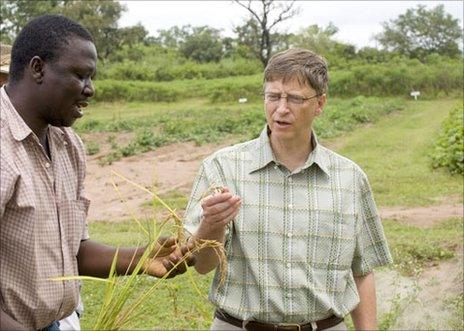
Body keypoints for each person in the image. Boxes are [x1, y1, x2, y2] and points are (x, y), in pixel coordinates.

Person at [0, 15, 194, 331]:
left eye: (92, 77)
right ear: (38, 68)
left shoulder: (67, 144)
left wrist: (142, 258)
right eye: (80, 75)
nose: (90, 90)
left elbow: (74, 251)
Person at [184, 48, 393, 331]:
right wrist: (212, 223)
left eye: (295, 98)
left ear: (320, 104)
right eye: (273, 96)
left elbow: (362, 269)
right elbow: (202, 264)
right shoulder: (223, 168)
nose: (281, 109)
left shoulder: (349, 178)